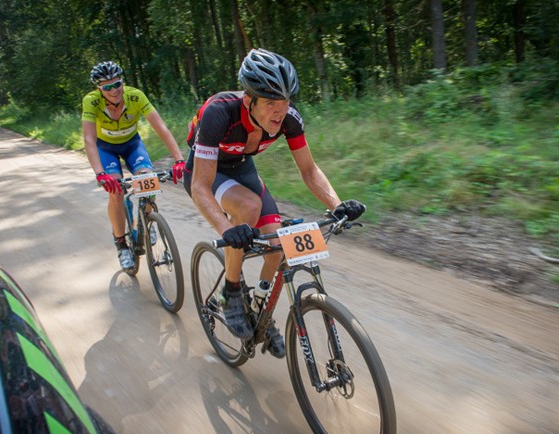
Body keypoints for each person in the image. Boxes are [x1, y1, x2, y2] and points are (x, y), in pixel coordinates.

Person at [179, 48, 366, 358]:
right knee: (249, 209)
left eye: (285, 101)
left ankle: (259, 309)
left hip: (241, 166)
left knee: (278, 241)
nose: (280, 111)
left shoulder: (289, 119)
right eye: (270, 103)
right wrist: (227, 229)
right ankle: (232, 293)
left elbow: (309, 170)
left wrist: (337, 205)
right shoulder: (219, 113)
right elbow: (200, 185)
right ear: (248, 100)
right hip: (206, 171)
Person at [82, 61, 186, 270]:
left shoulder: (135, 96)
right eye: (107, 87)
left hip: (132, 145)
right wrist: (100, 173)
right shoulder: (91, 102)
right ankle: (121, 244)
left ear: (122, 81)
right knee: (116, 192)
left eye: (117, 84)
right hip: (106, 149)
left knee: (147, 178)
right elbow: (89, 140)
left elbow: (161, 128)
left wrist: (179, 160)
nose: (114, 90)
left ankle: (148, 220)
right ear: (99, 89)